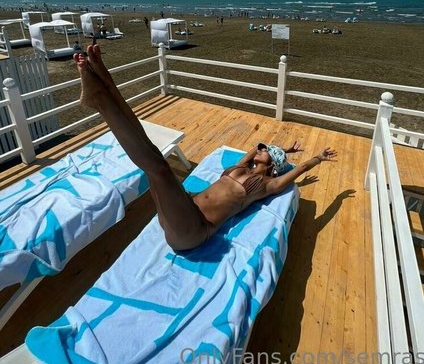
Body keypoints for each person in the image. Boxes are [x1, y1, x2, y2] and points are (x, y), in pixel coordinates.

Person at [74, 45, 337, 251]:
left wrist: (317, 157)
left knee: (159, 168)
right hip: (183, 209)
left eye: (266, 150)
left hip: (194, 230)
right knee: (152, 154)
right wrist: (281, 150)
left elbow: (299, 170)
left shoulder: (266, 185)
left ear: (273, 165)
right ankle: (105, 84)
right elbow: (254, 150)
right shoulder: (242, 167)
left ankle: (101, 101)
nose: (259, 149)